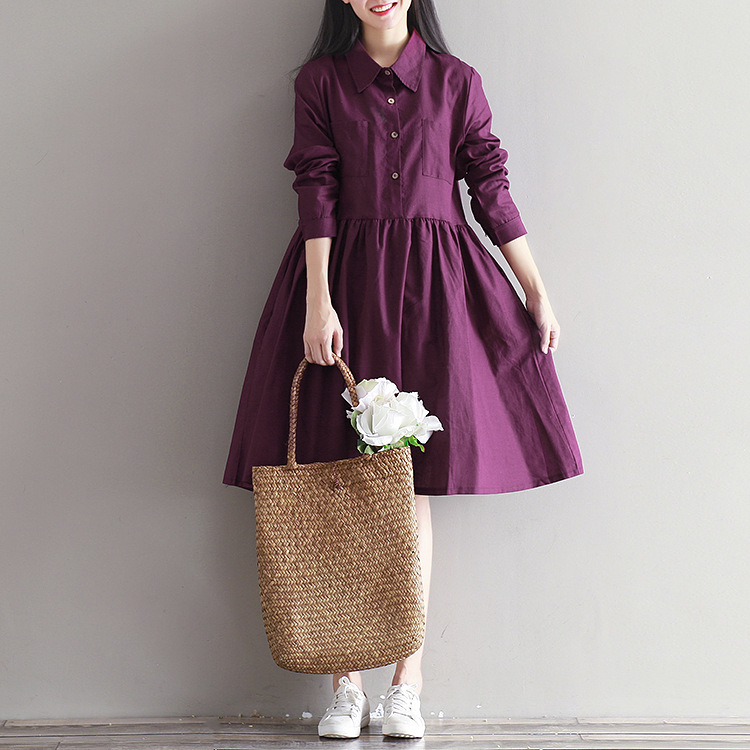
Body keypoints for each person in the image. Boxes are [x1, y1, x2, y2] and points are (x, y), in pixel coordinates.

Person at [223, 0, 584, 739]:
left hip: (437, 294)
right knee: (339, 482)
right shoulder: (321, 82)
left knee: (409, 485)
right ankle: (345, 685)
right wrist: (318, 302)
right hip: (346, 284)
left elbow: (489, 186)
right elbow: (316, 188)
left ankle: (406, 684)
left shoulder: (457, 82)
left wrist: (536, 288)